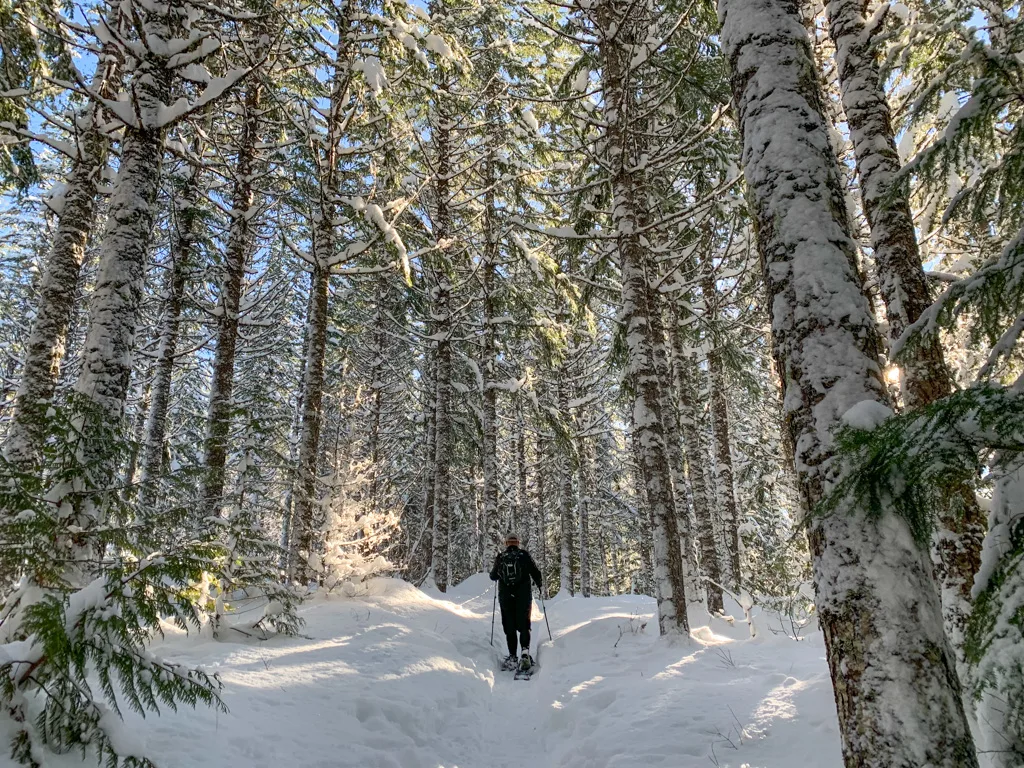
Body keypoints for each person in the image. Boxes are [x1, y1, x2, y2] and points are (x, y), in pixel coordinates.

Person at [489, 533, 543, 672]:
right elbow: (536, 573)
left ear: (507, 543)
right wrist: (539, 585)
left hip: (506, 597)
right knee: (524, 624)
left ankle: (513, 656)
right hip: (523, 596)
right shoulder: (524, 555)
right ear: (518, 542)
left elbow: (493, 576)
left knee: (510, 627)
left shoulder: (501, 557)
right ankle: (525, 653)